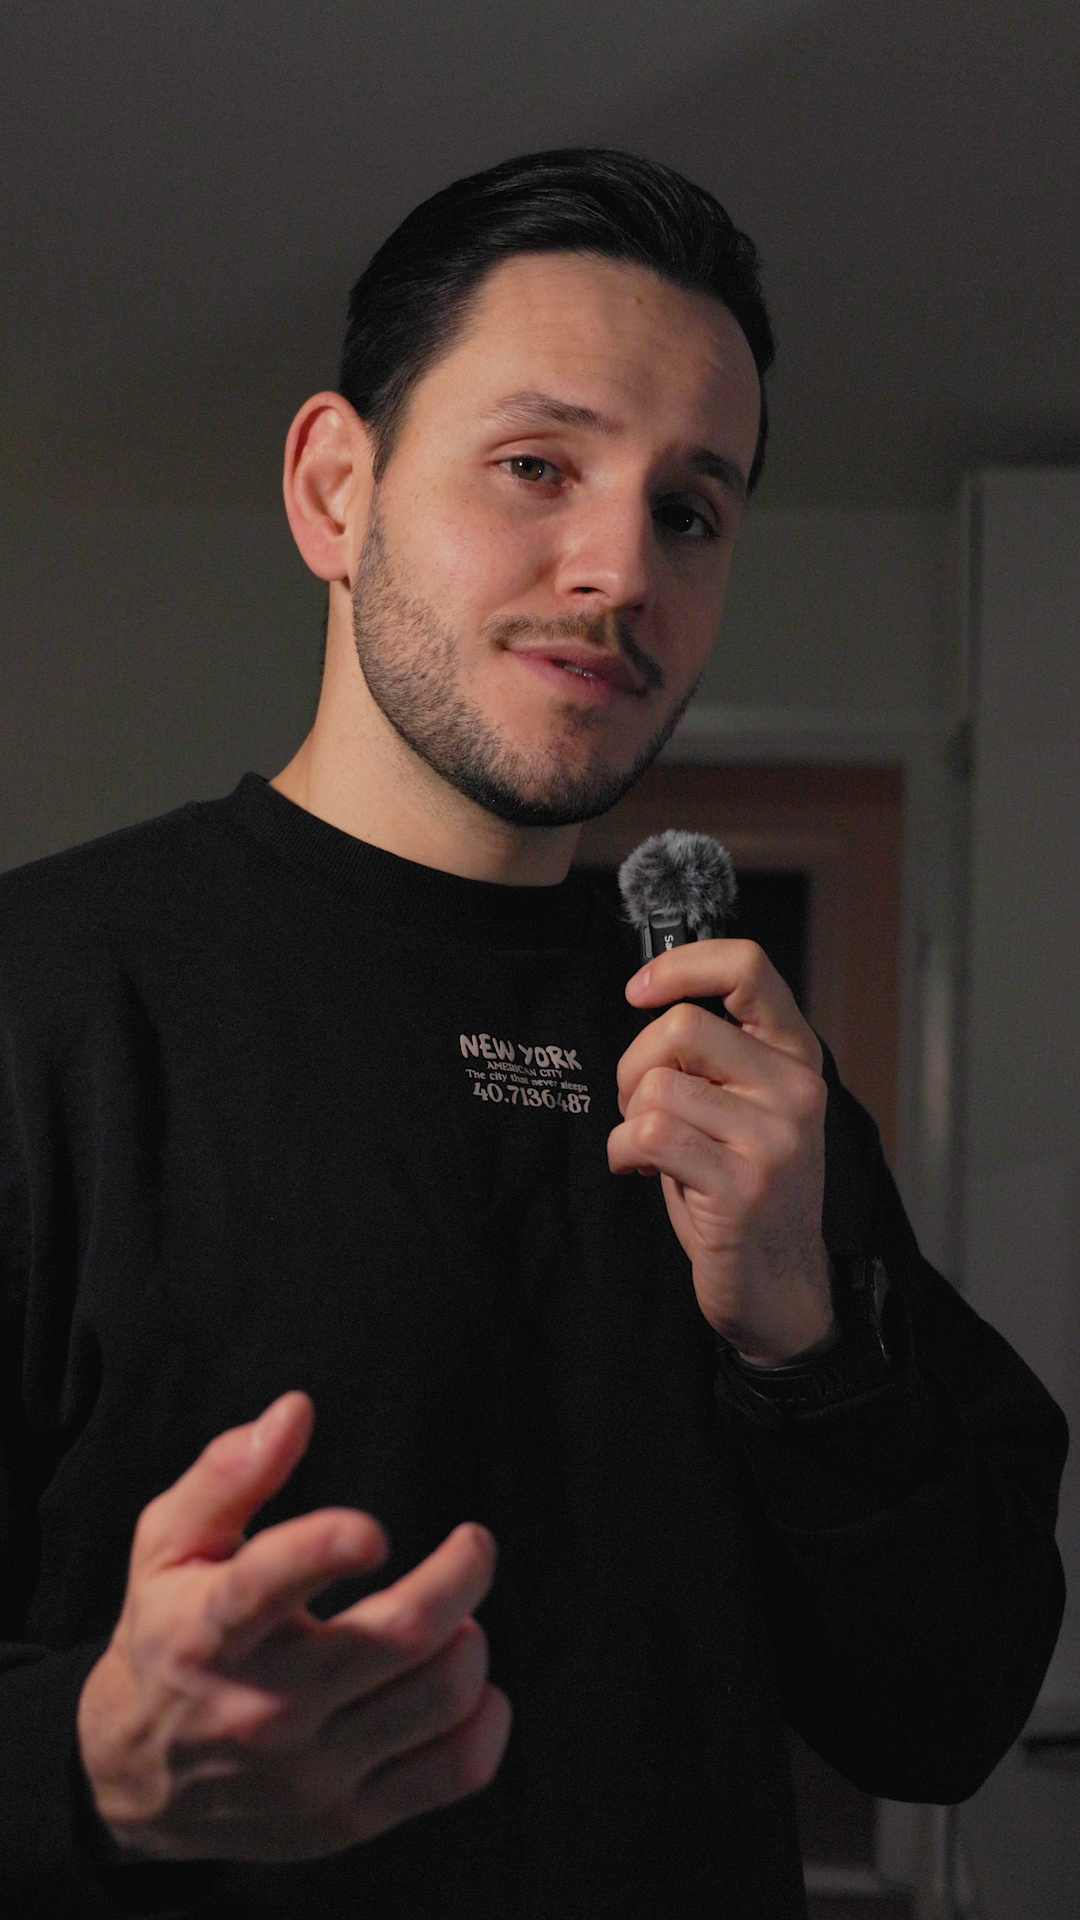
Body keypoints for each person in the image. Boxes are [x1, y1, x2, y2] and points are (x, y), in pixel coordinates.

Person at [0, 149, 1066, 1919]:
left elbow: (944, 1714)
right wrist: (85, 1764)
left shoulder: (749, 1080)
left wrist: (803, 1340)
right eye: (535, 467)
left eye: (692, 511)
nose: (617, 570)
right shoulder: (48, 1004)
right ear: (336, 488)